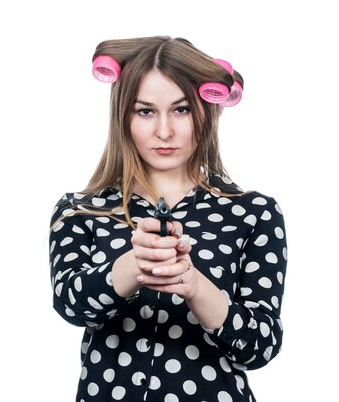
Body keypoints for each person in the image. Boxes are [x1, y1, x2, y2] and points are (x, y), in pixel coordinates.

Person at [49, 36, 288, 402]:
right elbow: (70, 304)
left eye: (181, 110)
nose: (164, 131)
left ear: (207, 110)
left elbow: (261, 346)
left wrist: (194, 285)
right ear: (123, 116)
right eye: (145, 111)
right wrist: (134, 265)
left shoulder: (254, 213)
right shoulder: (81, 210)